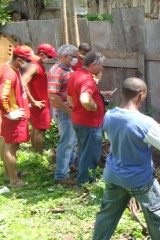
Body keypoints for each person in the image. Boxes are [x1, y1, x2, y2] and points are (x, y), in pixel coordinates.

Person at [93, 77, 160, 240]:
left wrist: (153, 131)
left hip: (114, 176)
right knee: (157, 217)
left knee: (107, 215)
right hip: (140, 180)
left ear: (123, 93)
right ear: (141, 94)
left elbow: (112, 136)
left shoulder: (109, 115)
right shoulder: (145, 122)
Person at [0, 45, 39, 187]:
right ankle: (13, 181)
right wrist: (9, 112)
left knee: (8, 145)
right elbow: (2, 96)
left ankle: (9, 173)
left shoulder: (11, 68)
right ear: (19, 60)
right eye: (27, 60)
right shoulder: (9, 74)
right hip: (14, 117)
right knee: (12, 147)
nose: (30, 63)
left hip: (16, 113)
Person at [67, 51, 105, 186]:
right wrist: (93, 107)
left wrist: (79, 108)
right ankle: (86, 184)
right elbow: (84, 99)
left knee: (84, 152)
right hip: (90, 124)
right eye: (101, 65)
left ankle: (83, 181)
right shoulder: (87, 79)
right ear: (94, 64)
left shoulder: (75, 74)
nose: (102, 68)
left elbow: (70, 98)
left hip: (79, 120)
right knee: (91, 155)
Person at [47, 44, 79, 185]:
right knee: (66, 143)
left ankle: (69, 165)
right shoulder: (56, 71)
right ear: (65, 56)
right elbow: (53, 97)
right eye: (74, 57)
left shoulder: (67, 69)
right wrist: (69, 111)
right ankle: (61, 175)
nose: (76, 60)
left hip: (70, 112)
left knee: (72, 141)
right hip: (64, 113)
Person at [22, 43, 58, 154]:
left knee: (36, 128)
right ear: (41, 54)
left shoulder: (38, 64)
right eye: (49, 56)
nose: (50, 59)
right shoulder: (34, 66)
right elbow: (23, 82)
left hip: (40, 101)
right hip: (39, 103)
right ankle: (39, 155)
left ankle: (35, 153)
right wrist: (33, 101)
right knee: (40, 130)